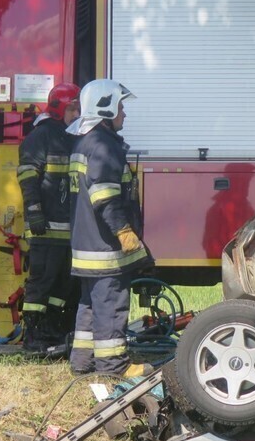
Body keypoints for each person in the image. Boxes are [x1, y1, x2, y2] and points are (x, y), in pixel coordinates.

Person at [66, 79, 154, 378]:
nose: (125, 115)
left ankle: (83, 361)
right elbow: (105, 197)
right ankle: (114, 365)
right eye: (121, 107)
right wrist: (124, 231)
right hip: (104, 247)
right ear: (106, 107)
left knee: (90, 305)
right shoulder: (104, 146)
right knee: (111, 304)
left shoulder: (85, 141)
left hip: (86, 244)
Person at [17, 82, 81, 352]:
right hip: (45, 228)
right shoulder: (41, 136)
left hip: (66, 230)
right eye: (73, 108)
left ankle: (52, 330)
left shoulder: (68, 136)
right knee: (41, 281)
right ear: (59, 108)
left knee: (62, 283)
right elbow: (27, 176)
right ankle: (32, 336)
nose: (77, 114)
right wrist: (34, 212)